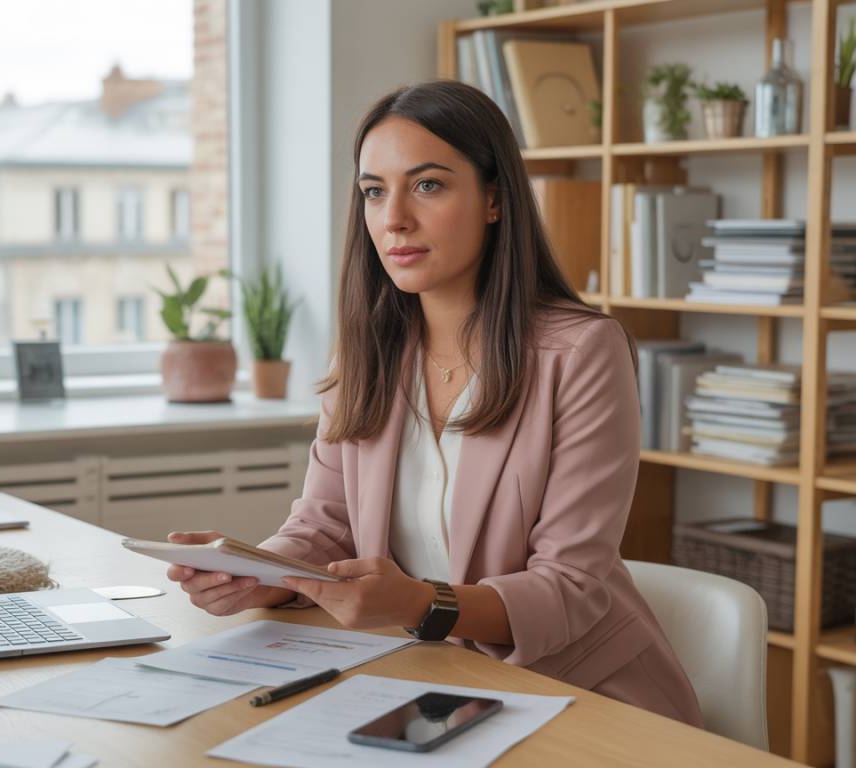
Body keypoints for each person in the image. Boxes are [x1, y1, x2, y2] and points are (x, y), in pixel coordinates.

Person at [166, 80, 703, 728]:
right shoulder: (367, 354)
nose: (393, 218)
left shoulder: (583, 353)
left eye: (427, 185)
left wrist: (423, 603)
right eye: (374, 190)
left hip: (582, 695)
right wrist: (256, 574)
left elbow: (573, 588)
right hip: (428, 685)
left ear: (495, 199)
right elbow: (324, 528)